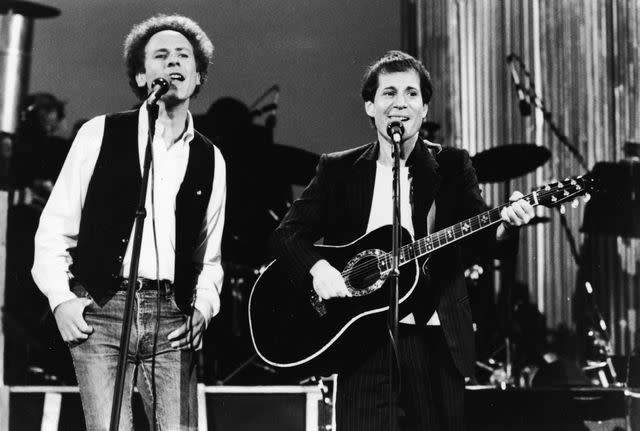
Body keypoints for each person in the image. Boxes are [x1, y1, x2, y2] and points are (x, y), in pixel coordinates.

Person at [270, 50, 534, 430]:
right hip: (361, 342)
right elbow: (287, 235)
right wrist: (318, 268)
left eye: (411, 94)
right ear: (370, 106)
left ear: (424, 109)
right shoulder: (338, 169)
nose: (400, 104)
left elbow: (483, 238)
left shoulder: (452, 166)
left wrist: (507, 224)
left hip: (435, 342)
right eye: (388, 93)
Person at [32, 14, 225, 430]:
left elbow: (209, 255)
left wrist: (204, 309)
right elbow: (54, 228)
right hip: (102, 309)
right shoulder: (98, 134)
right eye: (160, 55)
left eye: (183, 56)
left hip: (173, 314)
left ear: (197, 77)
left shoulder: (211, 158)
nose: (173, 62)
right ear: (141, 76)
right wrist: (61, 299)